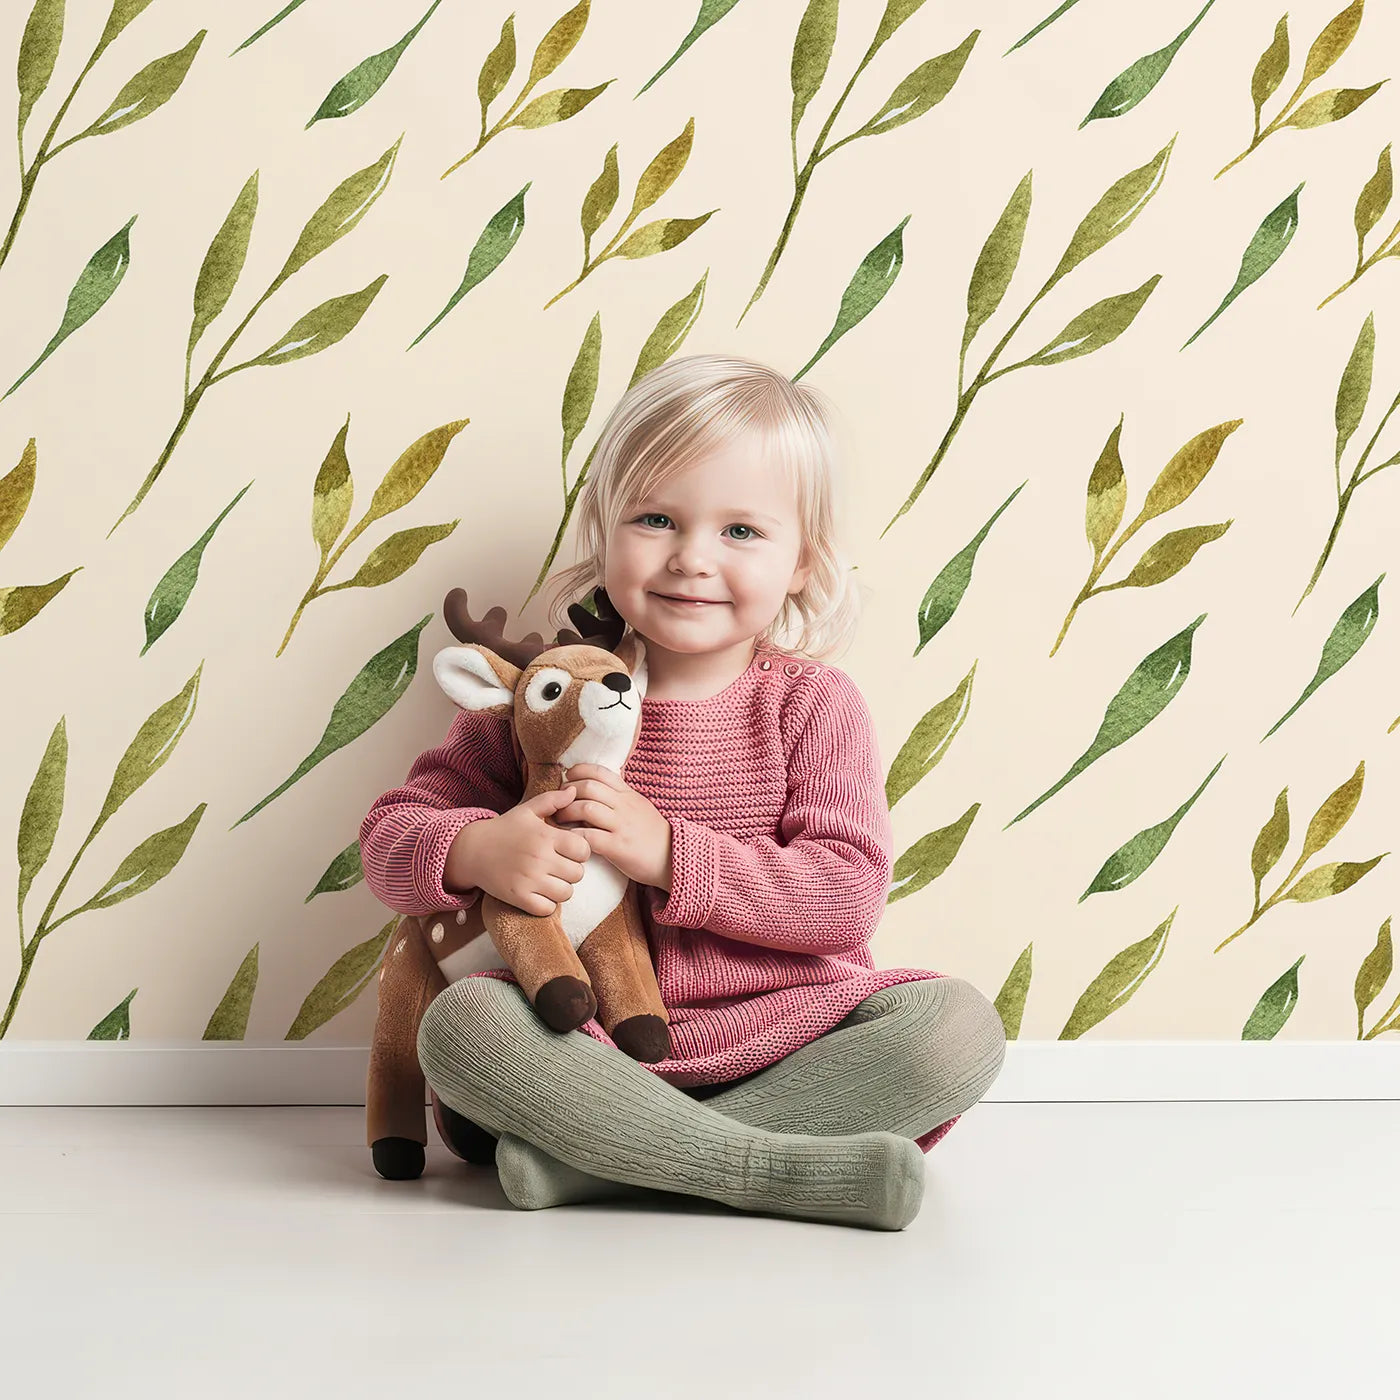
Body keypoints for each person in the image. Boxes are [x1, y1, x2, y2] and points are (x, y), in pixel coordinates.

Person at [359, 353, 1006, 1231]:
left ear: (804, 565)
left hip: (791, 1042)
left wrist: (669, 853)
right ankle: (760, 1167)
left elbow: (846, 898)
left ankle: (611, 1165)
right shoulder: (544, 694)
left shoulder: (810, 705)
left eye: (742, 532)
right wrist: (476, 849)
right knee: (463, 1023)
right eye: (657, 519)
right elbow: (393, 838)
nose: (692, 558)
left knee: (956, 1026)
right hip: (579, 1047)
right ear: (605, 530)